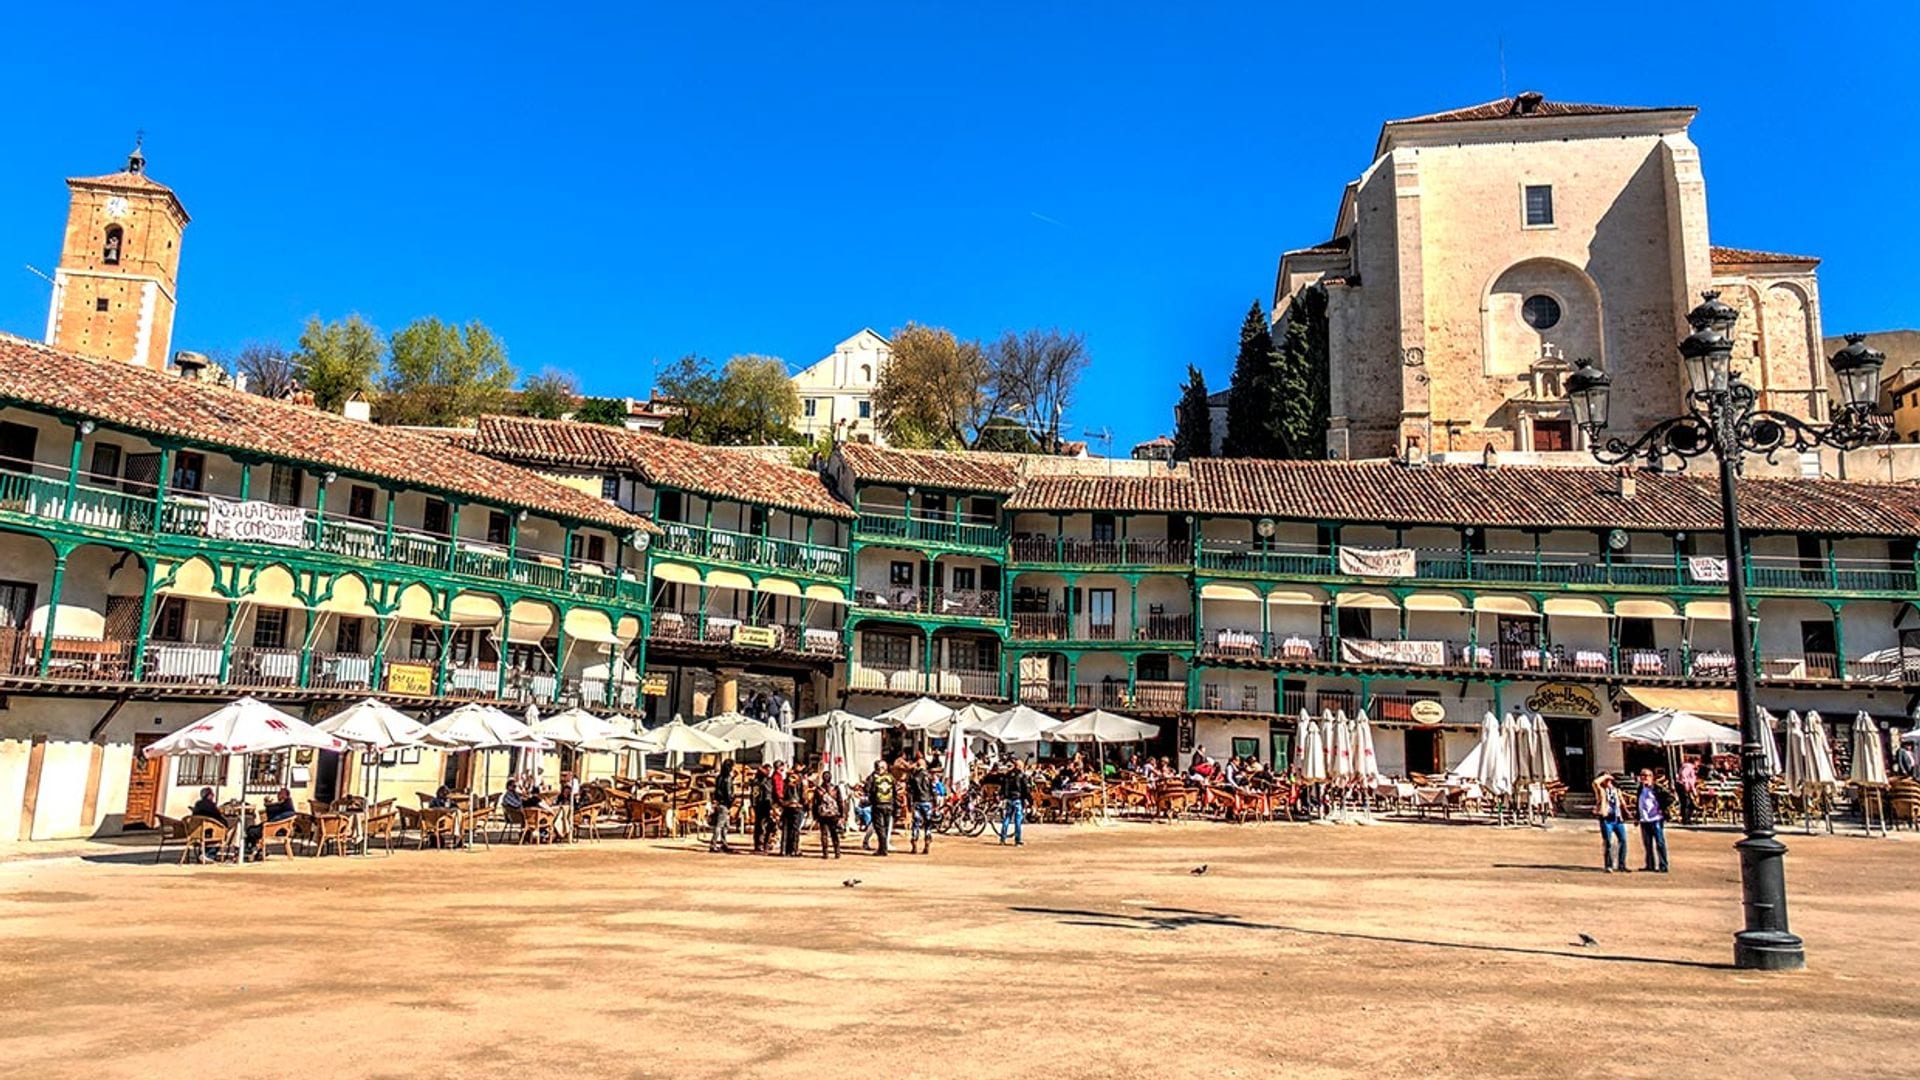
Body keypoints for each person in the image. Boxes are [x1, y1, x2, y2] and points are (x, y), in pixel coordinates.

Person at [1636, 768, 1671, 872]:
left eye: (1646, 776)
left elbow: (1670, 798)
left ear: (1651, 777)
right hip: (1644, 819)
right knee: (1647, 844)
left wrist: (1662, 808)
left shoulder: (1657, 788)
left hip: (1656, 819)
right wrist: (1637, 817)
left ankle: (1663, 865)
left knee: (1660, 843)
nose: (1644, 778)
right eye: (1642, 775)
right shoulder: (1640, 789)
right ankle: (1650, 865)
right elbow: (1639, 803)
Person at [1594, 773, 1628, 873]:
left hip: (1617, 818)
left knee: (1623, 840)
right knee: (1608, 841)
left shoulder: (1616, 790)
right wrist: (1605, 776)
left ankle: (1622, 864)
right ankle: (1608, 864)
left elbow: (1622, 803)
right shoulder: (1601, 790)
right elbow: (1595, 783)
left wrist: (1627, 813)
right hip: (1606, 818)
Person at [864, 760, 896, 856]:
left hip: (878, 805)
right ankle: (884, 847)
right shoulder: (891, 778)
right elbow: (895, 791)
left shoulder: (874, 778)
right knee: (886, 827)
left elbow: (867, 789)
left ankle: (883, 849)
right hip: (889, 805)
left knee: (879, 828)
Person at [812, 769, 845, 859]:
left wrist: (814, 815)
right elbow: (840, 801)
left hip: (822, 814)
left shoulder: (818, 789)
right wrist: (842, 814)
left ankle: (825, 853)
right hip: (834, 814)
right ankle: (837, 852)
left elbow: (814, 803)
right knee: (834, 833)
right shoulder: (835, 788)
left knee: (824, 834)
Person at [907, 756, 936, 855]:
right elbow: (934, 790)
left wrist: (910, 803)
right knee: (928, 824)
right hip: (927, 802)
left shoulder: (913, 776)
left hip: (917, 802)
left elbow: (909, 790)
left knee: (916, 823)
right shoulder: (929, 776)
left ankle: (914, 843)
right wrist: (935, 803)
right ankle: (927, 841)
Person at [998, 761, 1030, 846]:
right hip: (1018, 799)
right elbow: (1025, 789)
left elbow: (1003, 786)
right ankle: (1017, 840)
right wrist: (1029, 800)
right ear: (1020, 766)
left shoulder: (1008, 775)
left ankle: (1002, 839)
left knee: (1007, 818)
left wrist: (1003, 795)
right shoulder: (1021, 775)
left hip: (1009, 799)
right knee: (1018, 820)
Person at [709, 759, 737, 853]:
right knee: (720, 825)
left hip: (719, 802)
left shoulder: (719, 777)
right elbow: (729, 793)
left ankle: (724, 843)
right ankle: (713, 844)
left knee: (726, 825)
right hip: (725, 803)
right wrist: (732, 800)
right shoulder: (727, 778)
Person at [779, 764, 806, 857]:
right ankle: (793, 850)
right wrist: (804, 804)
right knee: (795, 829)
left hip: (787, 806)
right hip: (797, 807)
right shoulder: (800, 783)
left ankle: (784, 850)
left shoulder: (785, 783)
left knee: (786, 829)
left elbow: (781, 795)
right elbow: (803, 796)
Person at [750, 763, 775, 854]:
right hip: (760, 805)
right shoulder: (757, 782)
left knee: (769, 826)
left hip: (768, 805)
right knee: (760, 826)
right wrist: (754, 806)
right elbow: (754, 795)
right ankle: (759, 844)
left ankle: (766, 843)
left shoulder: (769, 780)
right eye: (767, 770)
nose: (768, 772)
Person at [1676, 756, 1699, 825]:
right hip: (1682, 785)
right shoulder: (1688, 767)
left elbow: (1691, 781)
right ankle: (1686, 819)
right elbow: (1684, 775)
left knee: (1689, 803)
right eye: (1697, 762)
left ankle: (1687, 818)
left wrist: (1693, 790)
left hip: (1684, 786)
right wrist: (1685, 784)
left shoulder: (1690, 767)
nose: (1698, 764)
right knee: (1686, 802)